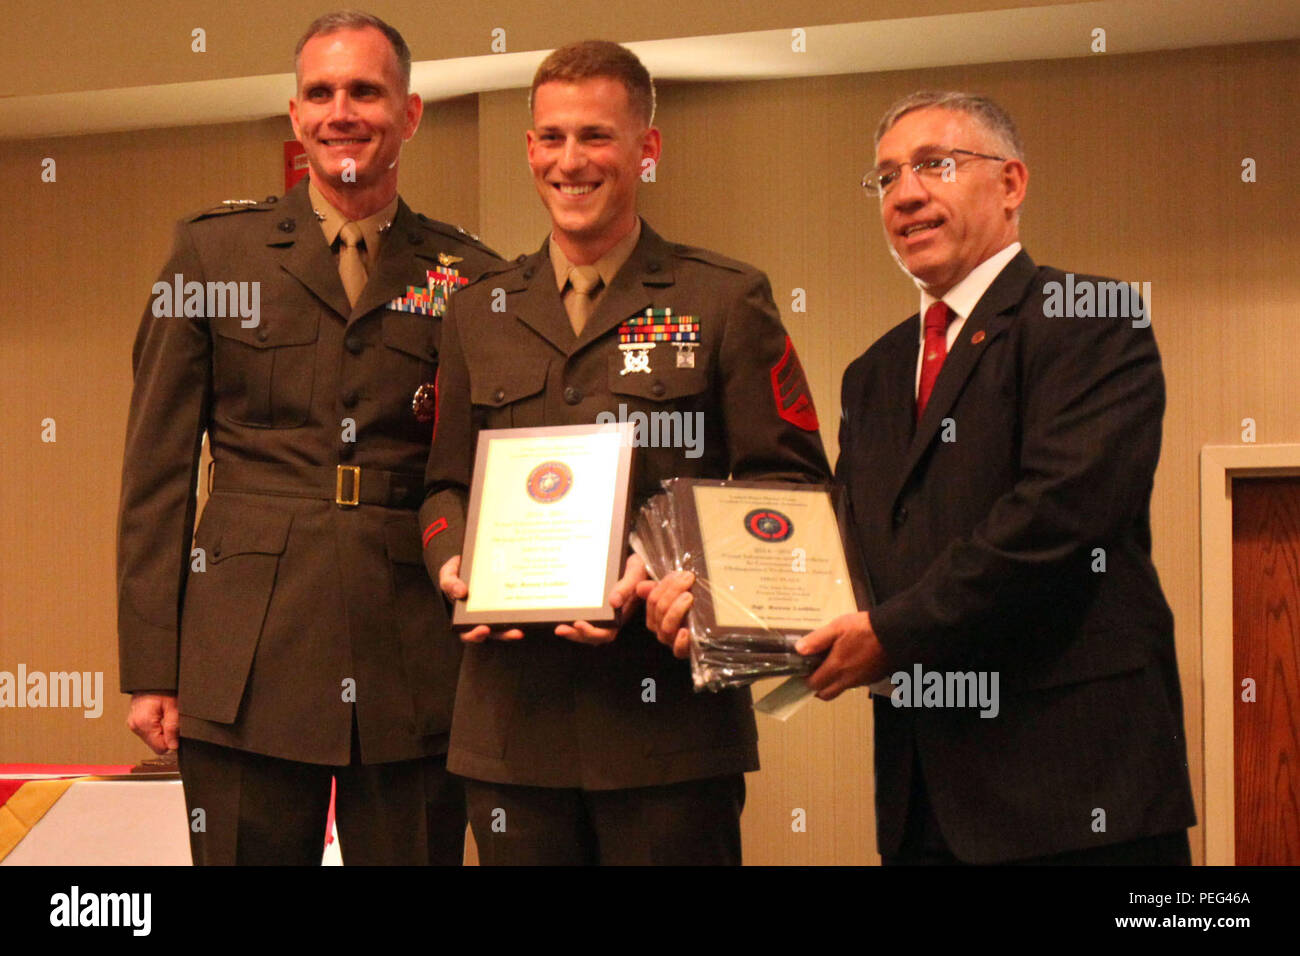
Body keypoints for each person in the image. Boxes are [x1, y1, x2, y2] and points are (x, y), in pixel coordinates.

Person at [421, 40, 829, 865]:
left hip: (668, 734)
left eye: (597, 137)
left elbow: (792, 492)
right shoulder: (478, 313)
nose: (571, 161)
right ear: (531, 149)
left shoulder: (723, 300)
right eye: (551, 138)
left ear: (647, 148)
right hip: (510, 737)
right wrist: (454, 564)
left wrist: (683, 570)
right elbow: (443, 486)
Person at [117, 11, 501, 865]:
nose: (342, 112)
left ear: (410, 113)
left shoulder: (472, 276)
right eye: (320, 93)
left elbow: (486, 473)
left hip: (413, 657)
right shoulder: (211, 257)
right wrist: (152, 665)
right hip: (245, 656)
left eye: (366, 91)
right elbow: (156, 474)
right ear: (295, 116)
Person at [794, 91, 1196, 863]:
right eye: (885, 178)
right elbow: (846, 543)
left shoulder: (1089, 317)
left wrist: (892, 633)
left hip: (1076, 795)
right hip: (923, 797)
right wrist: (723, 608)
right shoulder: (871, 373)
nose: (905, 193)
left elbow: (1057, 519)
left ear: (1011, 184)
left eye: (934, 165)